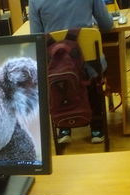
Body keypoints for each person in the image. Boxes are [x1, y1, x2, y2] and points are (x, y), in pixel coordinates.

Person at [28, 0, 113, 144]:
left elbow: (36, 36)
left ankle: (64, 127)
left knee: (63, 70)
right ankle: (97, 128)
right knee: (91, 71)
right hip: (88, 67)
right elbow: (107, 25)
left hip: (56, 67)